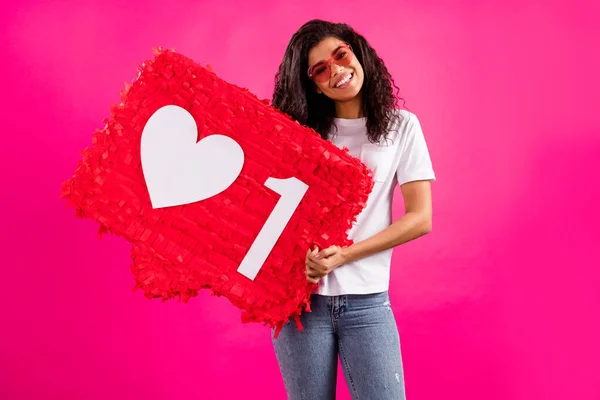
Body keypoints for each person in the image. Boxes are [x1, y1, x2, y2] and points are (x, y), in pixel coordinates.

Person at [271, 19, 436, 400]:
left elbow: (420, 217)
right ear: (312, 83)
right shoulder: (302, 132)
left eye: (340, 55)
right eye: (320, 69)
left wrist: (342, 256)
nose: (337, 71)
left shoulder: (401, 126)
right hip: (300, 304)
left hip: (368, 302)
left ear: (357, 51)